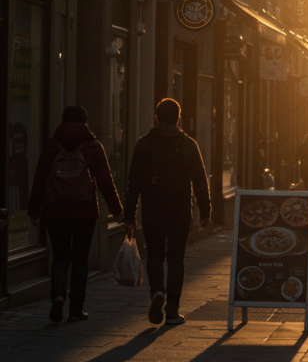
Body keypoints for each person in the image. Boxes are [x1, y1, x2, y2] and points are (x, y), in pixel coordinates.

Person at [27, 105, 124, 323]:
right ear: (85, 122)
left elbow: (40, 179)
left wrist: (34, 211)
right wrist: (117, 211)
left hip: (55, 211)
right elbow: (105, 182)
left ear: (63, 122)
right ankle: (76, 309)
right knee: (80, 260)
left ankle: (58, 296)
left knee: (60, 256)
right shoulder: (94, 146)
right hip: (85, 212)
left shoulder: (52, 146)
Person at [124, 98, 211, 325]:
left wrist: (129, 214)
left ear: (156, 118)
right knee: (175, 259)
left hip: (152, 208)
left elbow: (134, 182)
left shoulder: (144, 144)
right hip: (180, 209)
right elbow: (200, 179)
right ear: (178, 119)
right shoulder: (188, 144)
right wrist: (205, 210)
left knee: (154, 256)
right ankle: (172, 309)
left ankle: (157, 293)